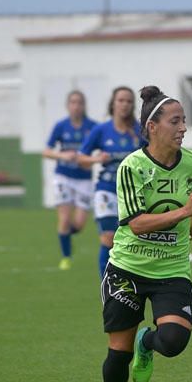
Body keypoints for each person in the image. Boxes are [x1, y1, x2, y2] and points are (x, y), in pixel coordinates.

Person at [96, 86, 192, 382]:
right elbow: (136, 223)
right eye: (175, 121)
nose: (183, 128)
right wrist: (185, 212)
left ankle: (147, 342)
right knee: (118, 352)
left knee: (174, 341)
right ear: (152, 127)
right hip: (127, 269)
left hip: (172, 269)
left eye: (184, 121)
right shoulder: (131, 168)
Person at [78, 86, 144, 277]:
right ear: (113, 103)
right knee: (108, 238)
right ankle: (106, 287)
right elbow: (81, 159)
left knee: (133, 238)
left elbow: (153, 156)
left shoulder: (139, 131)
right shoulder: (101, 130)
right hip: (106, 190)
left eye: (129, 101)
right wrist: (96, 159)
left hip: (132, 192)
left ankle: (131, 281)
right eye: (121, 100)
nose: (125, 104)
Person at [42, 90, 97, 270]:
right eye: (73, 102)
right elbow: (46, 151)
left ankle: (64, 235)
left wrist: (91, 160)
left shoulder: (92, 127)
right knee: (64, 219)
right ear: (68, 105)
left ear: (84, 105)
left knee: (79, 225)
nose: (76, 106)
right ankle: (66, 257)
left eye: (79, 102)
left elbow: (102, 146)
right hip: (63, 177)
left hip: (84, 180)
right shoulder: (61, 126)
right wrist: (62, 155)